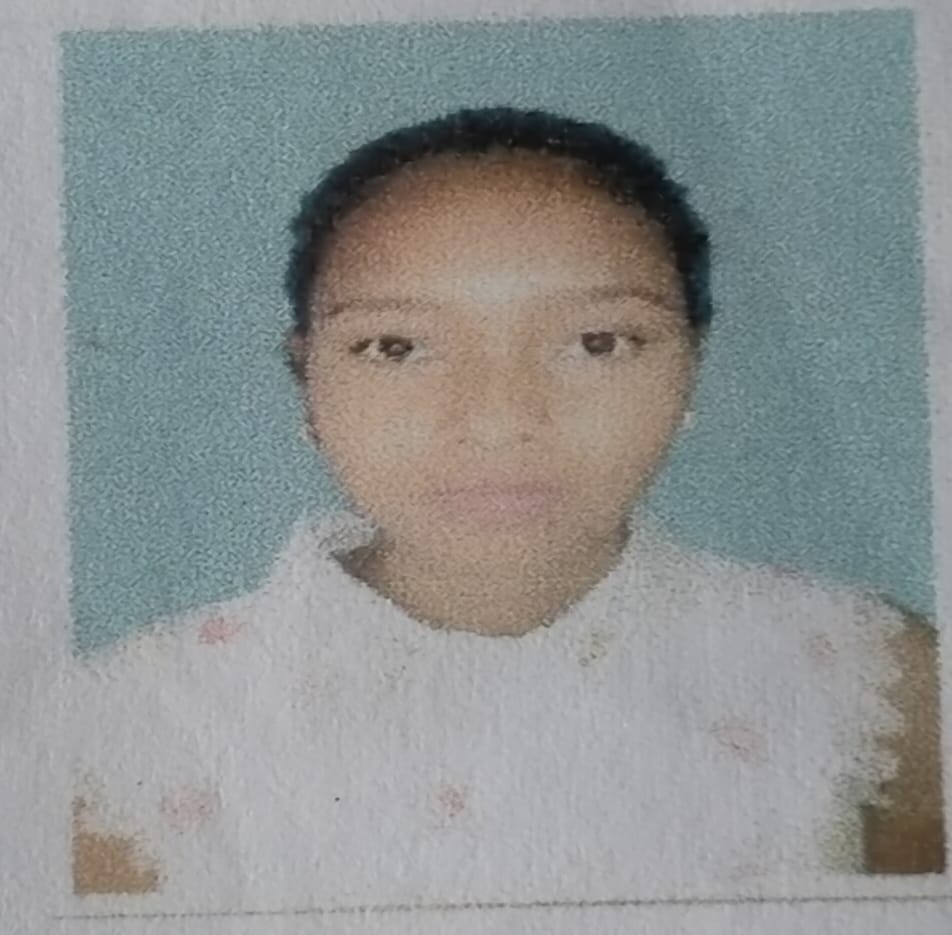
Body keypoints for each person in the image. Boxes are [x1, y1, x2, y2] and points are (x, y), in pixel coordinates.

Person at [69, 108, 944, 908]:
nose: (498, 420)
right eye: (396, 346)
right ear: (307, 382)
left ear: (691, 366)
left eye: (597, 342)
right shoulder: (126, 729)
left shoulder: (874, 676)